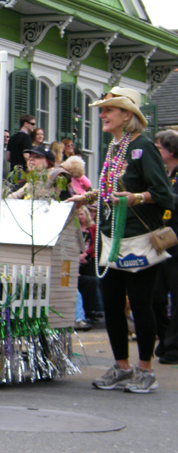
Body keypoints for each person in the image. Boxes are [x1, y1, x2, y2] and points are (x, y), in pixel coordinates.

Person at [67, 87, 173, 393]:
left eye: (108, 110)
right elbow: (112, 190)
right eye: (102, 110)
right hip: (111, 237)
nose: (102, 115)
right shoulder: (116, 148)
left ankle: (146, 370)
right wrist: (88, 196)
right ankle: (122, 367)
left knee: (141, 305)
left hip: (137, 239)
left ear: (127, 115)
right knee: (112, 304)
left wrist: (136, 197)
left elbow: (165, 195)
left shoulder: (143, 147)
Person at [152, 129, 178, 364]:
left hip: (176, 243)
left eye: (159, 147)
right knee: (156, 296)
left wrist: (161, 196)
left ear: (171, 150)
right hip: (160, 243)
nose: (156, 151)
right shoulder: (161, 173)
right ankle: (165, 336)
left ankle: (173, 346)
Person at [7, 145, 73, 201]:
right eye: (30, 156)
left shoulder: (57, 181)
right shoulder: (25, 181)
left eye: (37, 157)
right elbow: (8, 201)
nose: (31, 159)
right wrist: (25, 188)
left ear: (49, 162)